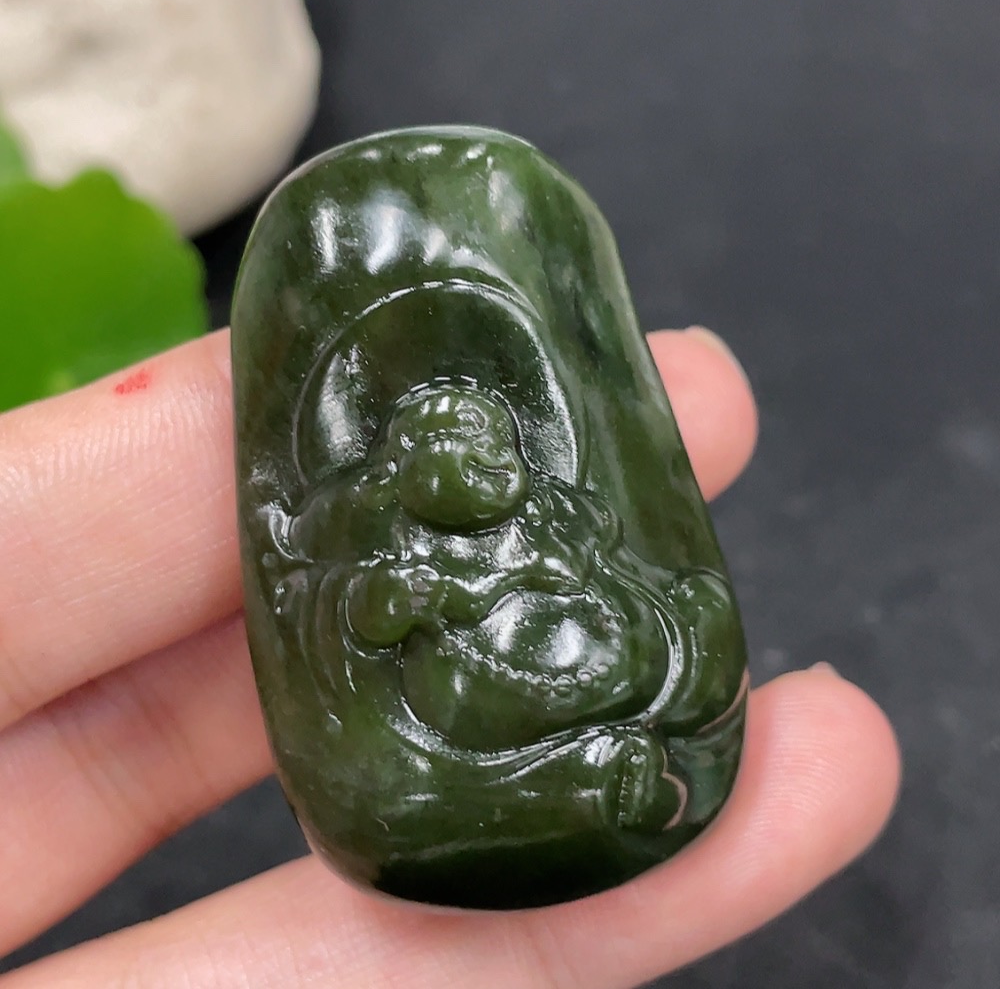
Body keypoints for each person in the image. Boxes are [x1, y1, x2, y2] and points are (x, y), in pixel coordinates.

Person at [0, 326, 900, 986]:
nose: (487, 463)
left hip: (592, 654)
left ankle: (638, 728)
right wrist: (402, 600)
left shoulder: (546, 513)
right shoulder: (396, 540)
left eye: (497, 446)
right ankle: (583, 775)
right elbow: (351, 604)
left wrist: (556, 573)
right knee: (443, 766)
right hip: (482, 693)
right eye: (455, 450)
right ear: (401, 470)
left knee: (676, 624)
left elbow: (589, 549)